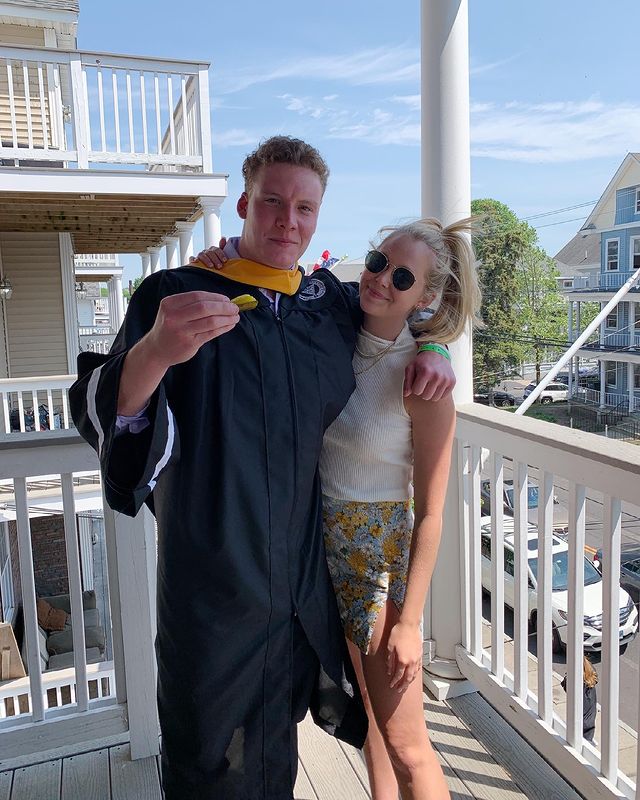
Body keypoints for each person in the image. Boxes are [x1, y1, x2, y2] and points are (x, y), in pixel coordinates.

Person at [70, 136, 455, 800]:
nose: (288, 220)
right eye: (272, 202)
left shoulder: (324, 306)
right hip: (213, 580)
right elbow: (111, 409)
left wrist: (437, 350)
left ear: (317, 218)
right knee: (207, 756)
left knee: (276, 751)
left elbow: (391, 321)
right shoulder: (176, 296)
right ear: (244, 204)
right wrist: (157, 351)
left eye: (305, 208)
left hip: (302, 585)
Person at [319, 219, 481, 799]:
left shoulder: (424, 380)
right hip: (321, 552)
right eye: (377, 261)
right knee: (367, 717)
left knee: (409, 745)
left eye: (403, 276)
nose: (382, 279)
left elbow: (432, 512)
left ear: (427, 296)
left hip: (374, 567)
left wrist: (410, 625)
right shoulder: (329, 336)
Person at [561, 656, 598, 744]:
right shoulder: (591, 677)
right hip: (590, 718)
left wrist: (567, 678)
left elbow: (567, 688)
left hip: (581, 721)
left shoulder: (577, 684)